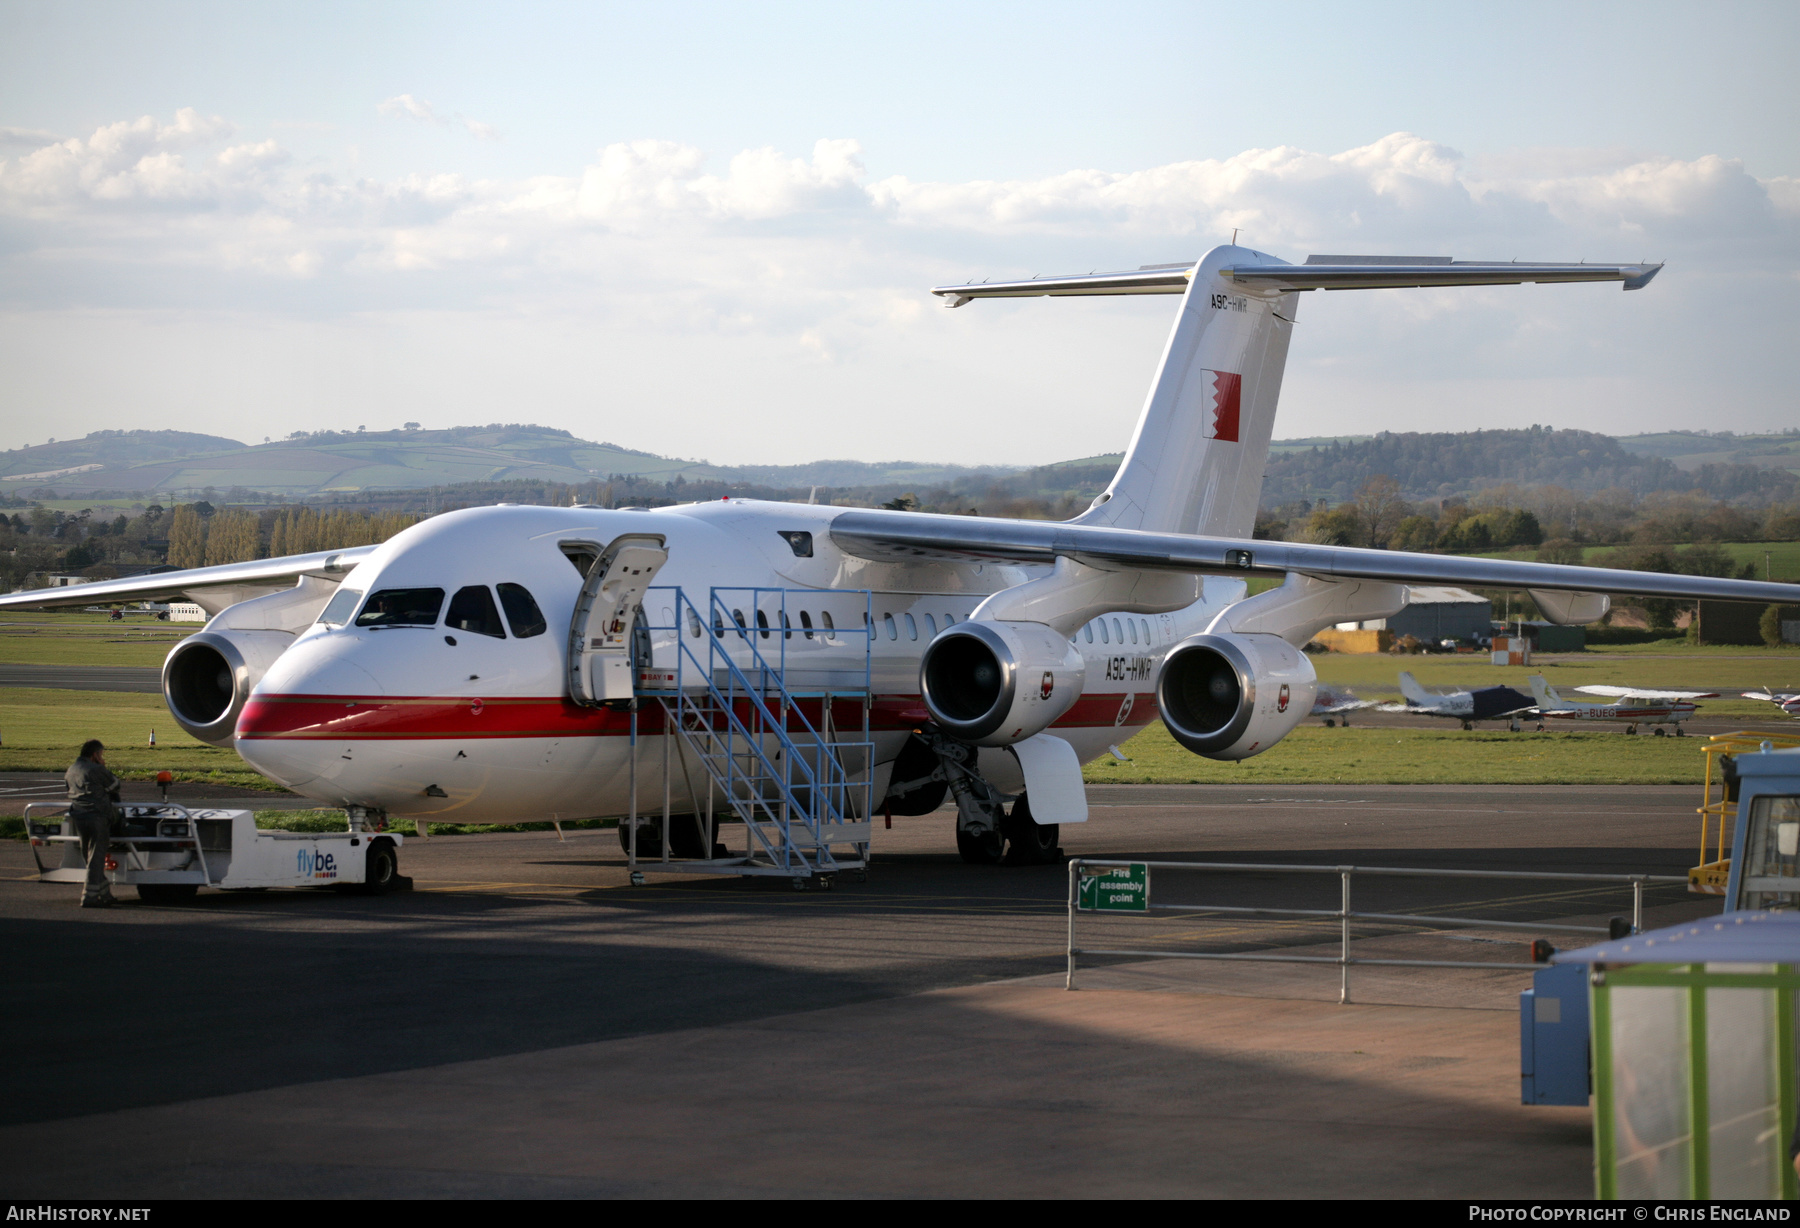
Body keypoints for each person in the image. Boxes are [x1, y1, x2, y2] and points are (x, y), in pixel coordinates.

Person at [65, 739, 122, 909]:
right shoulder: (96, 769)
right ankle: (88, 896)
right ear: (96, 755)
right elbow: (115, 786)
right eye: (101, 755)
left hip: (78, 816)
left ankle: (104, 893)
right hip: (97, 816)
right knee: (96, 857)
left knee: (88, 854)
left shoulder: (71, 770)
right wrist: (103, 767)